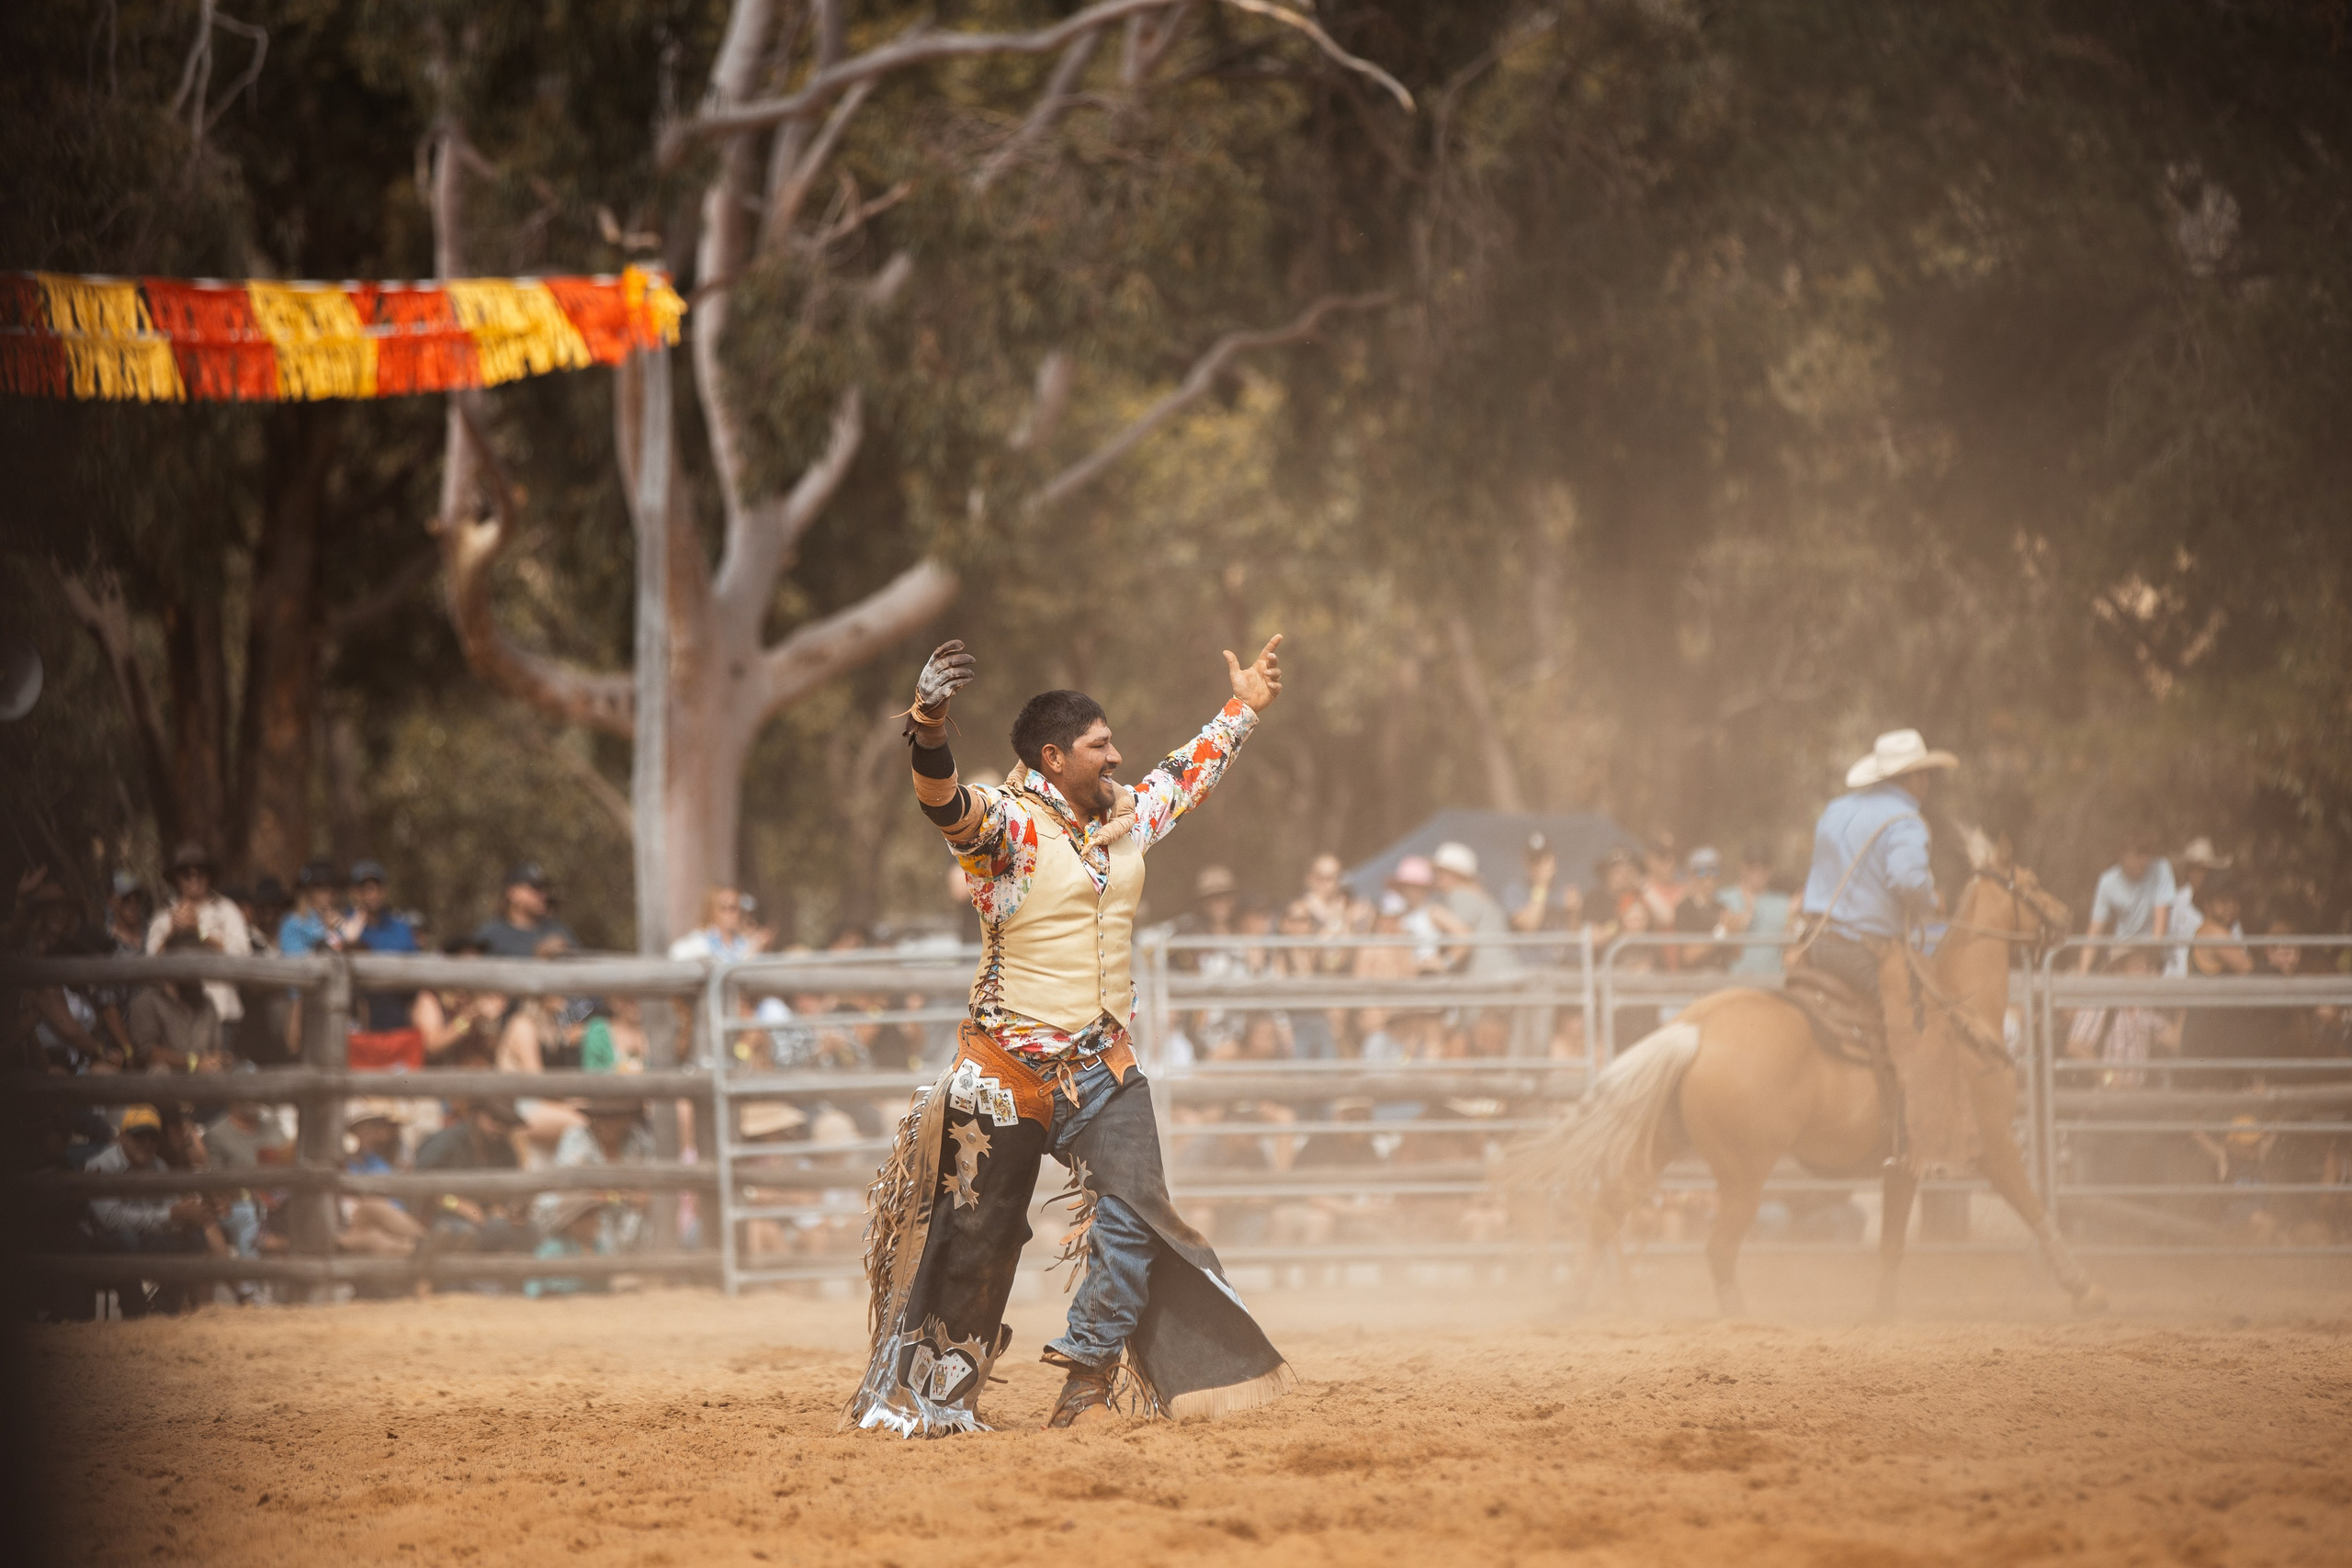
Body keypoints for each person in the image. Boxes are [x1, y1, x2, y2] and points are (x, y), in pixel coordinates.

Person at [849, 635, 1294, 1437]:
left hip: (1101, 1067)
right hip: (1005, 1070)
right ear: (1054, 758)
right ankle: (930, 1394)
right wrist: (929, 725)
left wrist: (1244, 707)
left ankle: (1086, 1376)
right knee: (978, 1234)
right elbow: (942, 801)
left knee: (1135, 1213)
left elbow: (1185, 773)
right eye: (1099, 745)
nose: (1117, 755)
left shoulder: (1125, 816)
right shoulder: (1008, 830)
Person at [145, 841, 252, 1024]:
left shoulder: (226, 910)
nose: (194, 879)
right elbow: (148, 967)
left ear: (209, 876)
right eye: (187, 874)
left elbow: (243, 955)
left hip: (222, 1012)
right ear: (176, 879)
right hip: (178, 1019)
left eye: (200, 873)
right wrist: (172, 934)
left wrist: (201, 933)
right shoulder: (163, 918)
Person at [2079, 831, 2175, 972]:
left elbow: (2160, 929)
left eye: (2146, 852)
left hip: (2155, 951)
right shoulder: (2107, 882)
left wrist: (2150, 964)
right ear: (2122, 855)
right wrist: (2081, 975)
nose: (2145, 859)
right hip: (2122, 951)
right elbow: (2094, 931)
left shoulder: (2161, 868)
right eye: (2138, 853)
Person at [1426, 841, 1514, 978]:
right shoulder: (1479, 896)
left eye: (1442, 871)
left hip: (1489, 978)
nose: (1437, 876)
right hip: (1504, 974)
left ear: (1457, 874)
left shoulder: (1460, 895)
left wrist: (1444, 965)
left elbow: (1464, 939)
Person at [470, 863, 577, 957]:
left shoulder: (558, 930)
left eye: (545, 888)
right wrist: (538, 957)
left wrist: (565, 953)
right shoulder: (490, 935)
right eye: (535, 888)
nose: (543, 895)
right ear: (513, 892)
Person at [1721, 842, 1794, 977]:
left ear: (1771, 869)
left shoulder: (1784, 903)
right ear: (1742, 867)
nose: (1759, 870)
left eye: (1764, 866)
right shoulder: (1723, 899)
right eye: (1752, 865)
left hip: (1772, 984)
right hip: (1734, 982)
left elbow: (1791, 946)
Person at [2167, 838, 2233, 978]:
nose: (2203, 874)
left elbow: (2236, 942)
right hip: (2177, 976)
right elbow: (2167, 943)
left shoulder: (2226, 904)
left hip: (2213, 976)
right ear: (2189, 870)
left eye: (2207, 870)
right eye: (2198, 868)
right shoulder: (2176, 901)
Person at [667, 886, 774, 962]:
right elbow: (676, 953)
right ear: (712, 911)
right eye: (725, 908)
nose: (732, 914)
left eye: (735, 908)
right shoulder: (701, 941)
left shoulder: (744, 943)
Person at [1673, 847, 1732, 971]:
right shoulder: (1684, 909)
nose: (1709, 879)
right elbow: (1688, 955)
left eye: (1714, 871)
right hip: (1695, 980)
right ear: (1692, 876)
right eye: (1701, 872)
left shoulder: (1722, 907)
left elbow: (1736, 955)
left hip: (1721, 975)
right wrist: (1720, 934)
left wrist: (1735, 932)